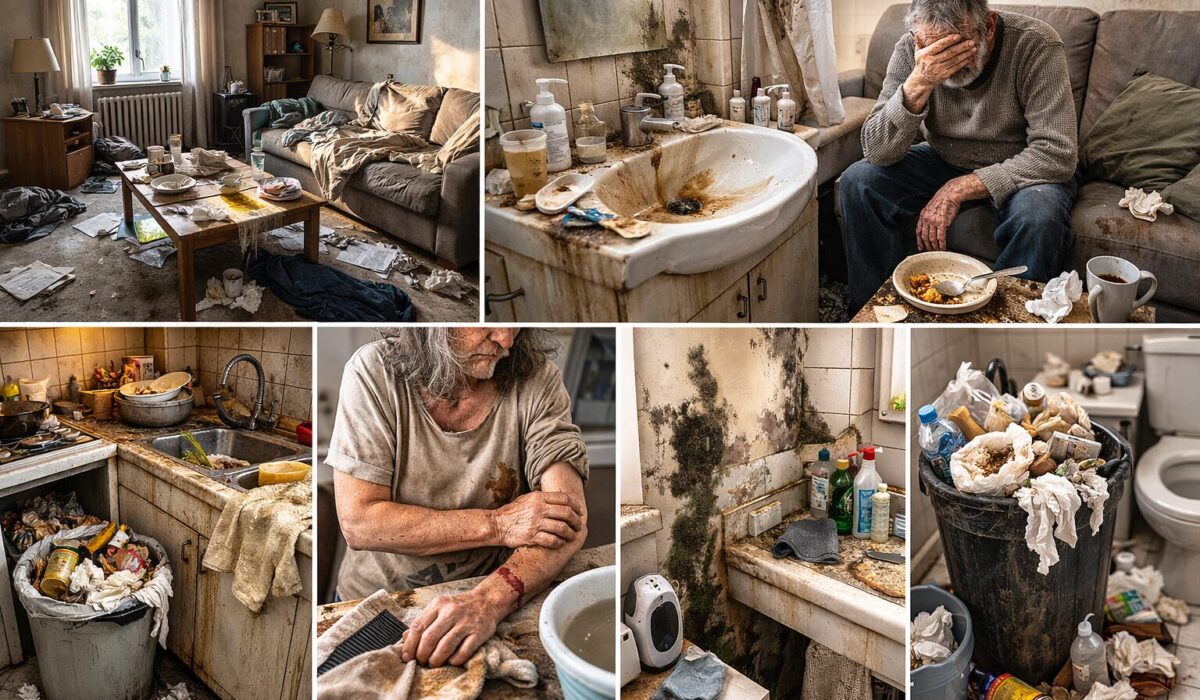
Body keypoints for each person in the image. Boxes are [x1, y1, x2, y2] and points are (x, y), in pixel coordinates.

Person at [327, 327, 589, 668]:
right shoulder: (372, 372)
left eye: (516, 325)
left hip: (494, 598)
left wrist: (488, 602)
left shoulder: (539, 379)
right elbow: (361, 523)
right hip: (382, 603)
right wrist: (498, 524)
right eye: (486, 324)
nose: (506, 341)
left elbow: (568, 518)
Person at [840, 0, 1080, 311]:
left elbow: (1057, 152)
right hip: (945, 158)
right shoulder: (910, 50)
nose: (946, 65)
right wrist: (917, 85)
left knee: (1038, 216)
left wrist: (960, 188)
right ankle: (875, 311)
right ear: (917, 38)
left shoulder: (1037, 44)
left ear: (989, 26)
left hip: (1026, 168)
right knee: (858, 182)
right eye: (933, 49)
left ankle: (1006, 320)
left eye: (956, 47)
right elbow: (877, 150)